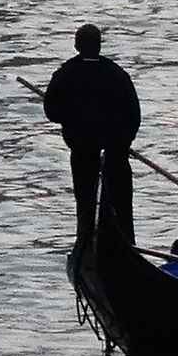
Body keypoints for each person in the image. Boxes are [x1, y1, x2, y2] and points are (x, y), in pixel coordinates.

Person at [42, 23, 142, 250]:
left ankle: (86, 243)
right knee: (121, 203)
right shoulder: (117, 74)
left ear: (76, 45)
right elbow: (133, 115)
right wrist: (123, 143)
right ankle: (126, 244)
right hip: (115, 148)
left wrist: (72, 119)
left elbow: (52, 112)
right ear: (99, 45)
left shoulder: (65, 74)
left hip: (83, 148)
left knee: (86, 203)